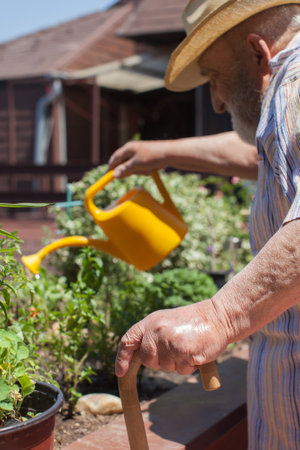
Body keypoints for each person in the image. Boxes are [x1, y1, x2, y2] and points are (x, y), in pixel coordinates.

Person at [110, 1, 300, 448]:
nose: (215, 101)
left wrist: (218, 316)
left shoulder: (293, 86)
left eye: (215, 76)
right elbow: (268, 154)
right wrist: (164, 151)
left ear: (257, 51)